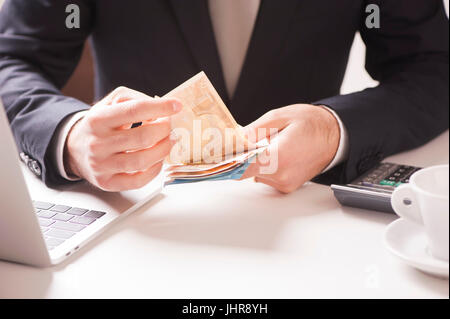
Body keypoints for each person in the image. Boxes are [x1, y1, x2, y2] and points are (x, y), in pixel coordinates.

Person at [0, 0, 448, 193]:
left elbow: (434, 70)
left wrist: (334, 130)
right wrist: (70, 136)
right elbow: (12, 59)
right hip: (135, 223)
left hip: (307, 225)